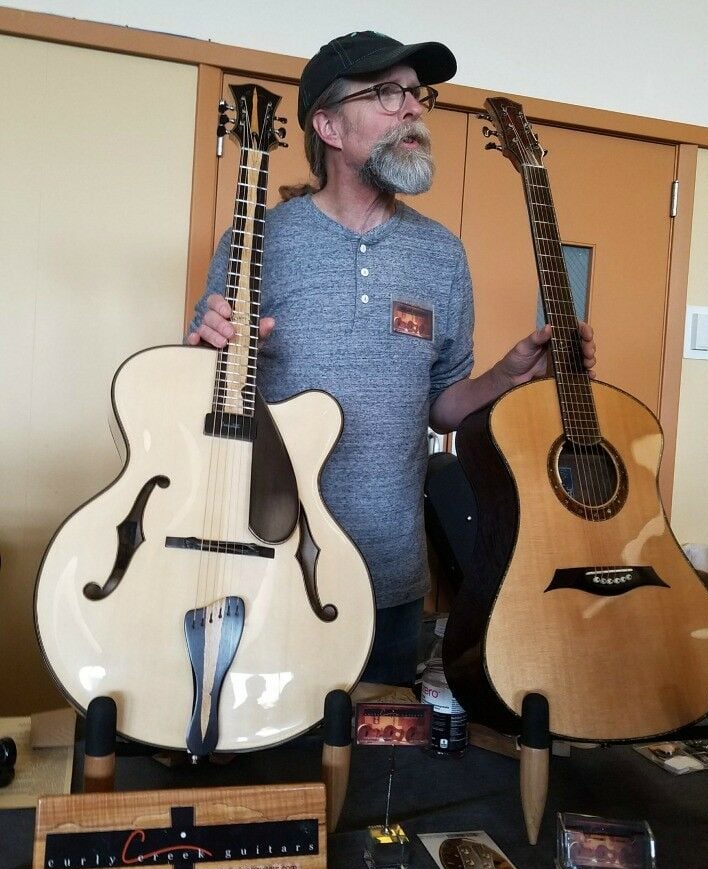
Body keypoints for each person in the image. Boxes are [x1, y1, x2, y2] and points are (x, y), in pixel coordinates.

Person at [187, 31, 596, 685]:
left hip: (391, 579)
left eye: (416, 93)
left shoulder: (442, 254)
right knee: (273, 777)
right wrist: (202, 354)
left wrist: (508, 375)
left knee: (380, 779)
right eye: (386, 93)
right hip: (265, 564)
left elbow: (444, 407)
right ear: (327, 125)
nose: (412, 109)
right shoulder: (259, 239)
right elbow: (207, 399)